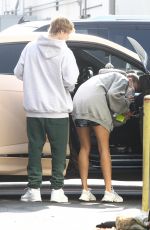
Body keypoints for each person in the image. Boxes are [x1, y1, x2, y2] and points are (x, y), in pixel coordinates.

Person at [14, 16, 79, 203]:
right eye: (68, 34)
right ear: (61, 31)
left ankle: (34, 190)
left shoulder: (30, 47)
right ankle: (57, 191)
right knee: (59, 151)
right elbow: (70, 81)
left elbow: (18, 72)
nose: (68, 38)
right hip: (58, 111)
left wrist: (35, 81)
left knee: (35, 150)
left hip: (34, 111)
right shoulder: (65, 53)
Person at [72, 65, 139, 202]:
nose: (130, 93)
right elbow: (113, 96)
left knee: (85, 148)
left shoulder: (99, 79)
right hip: (95, 105)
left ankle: (85, 191)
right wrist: (126, 106)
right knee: (104, 148)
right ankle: (108, 192)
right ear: (131, 80)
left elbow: (109, 109)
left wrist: (122, 117)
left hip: (78, 106)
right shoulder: (123, 78)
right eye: (133, 90)